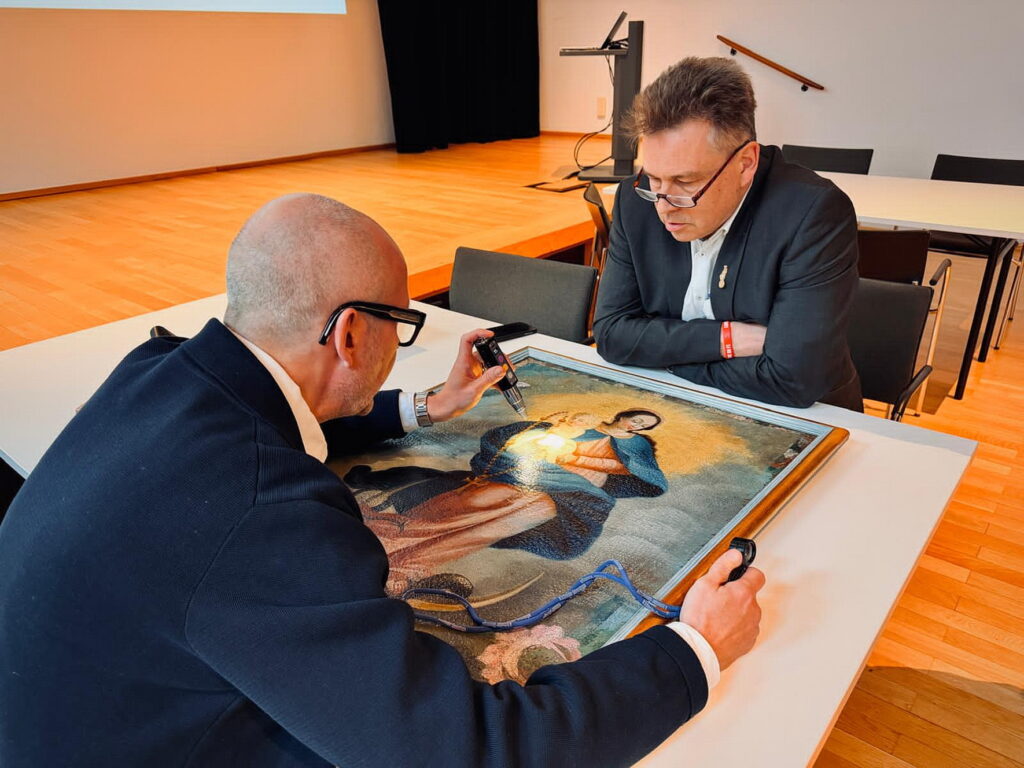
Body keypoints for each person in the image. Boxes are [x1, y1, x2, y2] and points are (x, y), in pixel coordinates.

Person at [0, 193, 765, 767]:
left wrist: (428, 406)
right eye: (398, 328)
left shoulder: (160, 371)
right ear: (350, 333)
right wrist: (692, 649)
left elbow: (269, 424)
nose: (399, 348)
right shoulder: (263, 516)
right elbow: (470, 752)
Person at [593, 56, 863, 410]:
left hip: (803, 416)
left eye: (686, 182)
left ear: (746, 163)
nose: (662, 205)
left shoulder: (814, 213)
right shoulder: (635, 198)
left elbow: (791, 379)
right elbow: (612, 335)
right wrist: (727, 339)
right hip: (672, 406)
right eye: (654, 178)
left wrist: (661, 354)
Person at [357, 409, 667, 593]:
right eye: (637, 418)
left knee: (508, 522)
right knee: (475, 501)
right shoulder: (577, 424)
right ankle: (395, 533)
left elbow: (626, 470)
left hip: (566, 494)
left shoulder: (630, 444)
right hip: (526, 477)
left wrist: (574, 456)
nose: (637, 425)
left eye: (643, 425)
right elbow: (527, 438)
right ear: (624, 415)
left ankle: (412, 565)